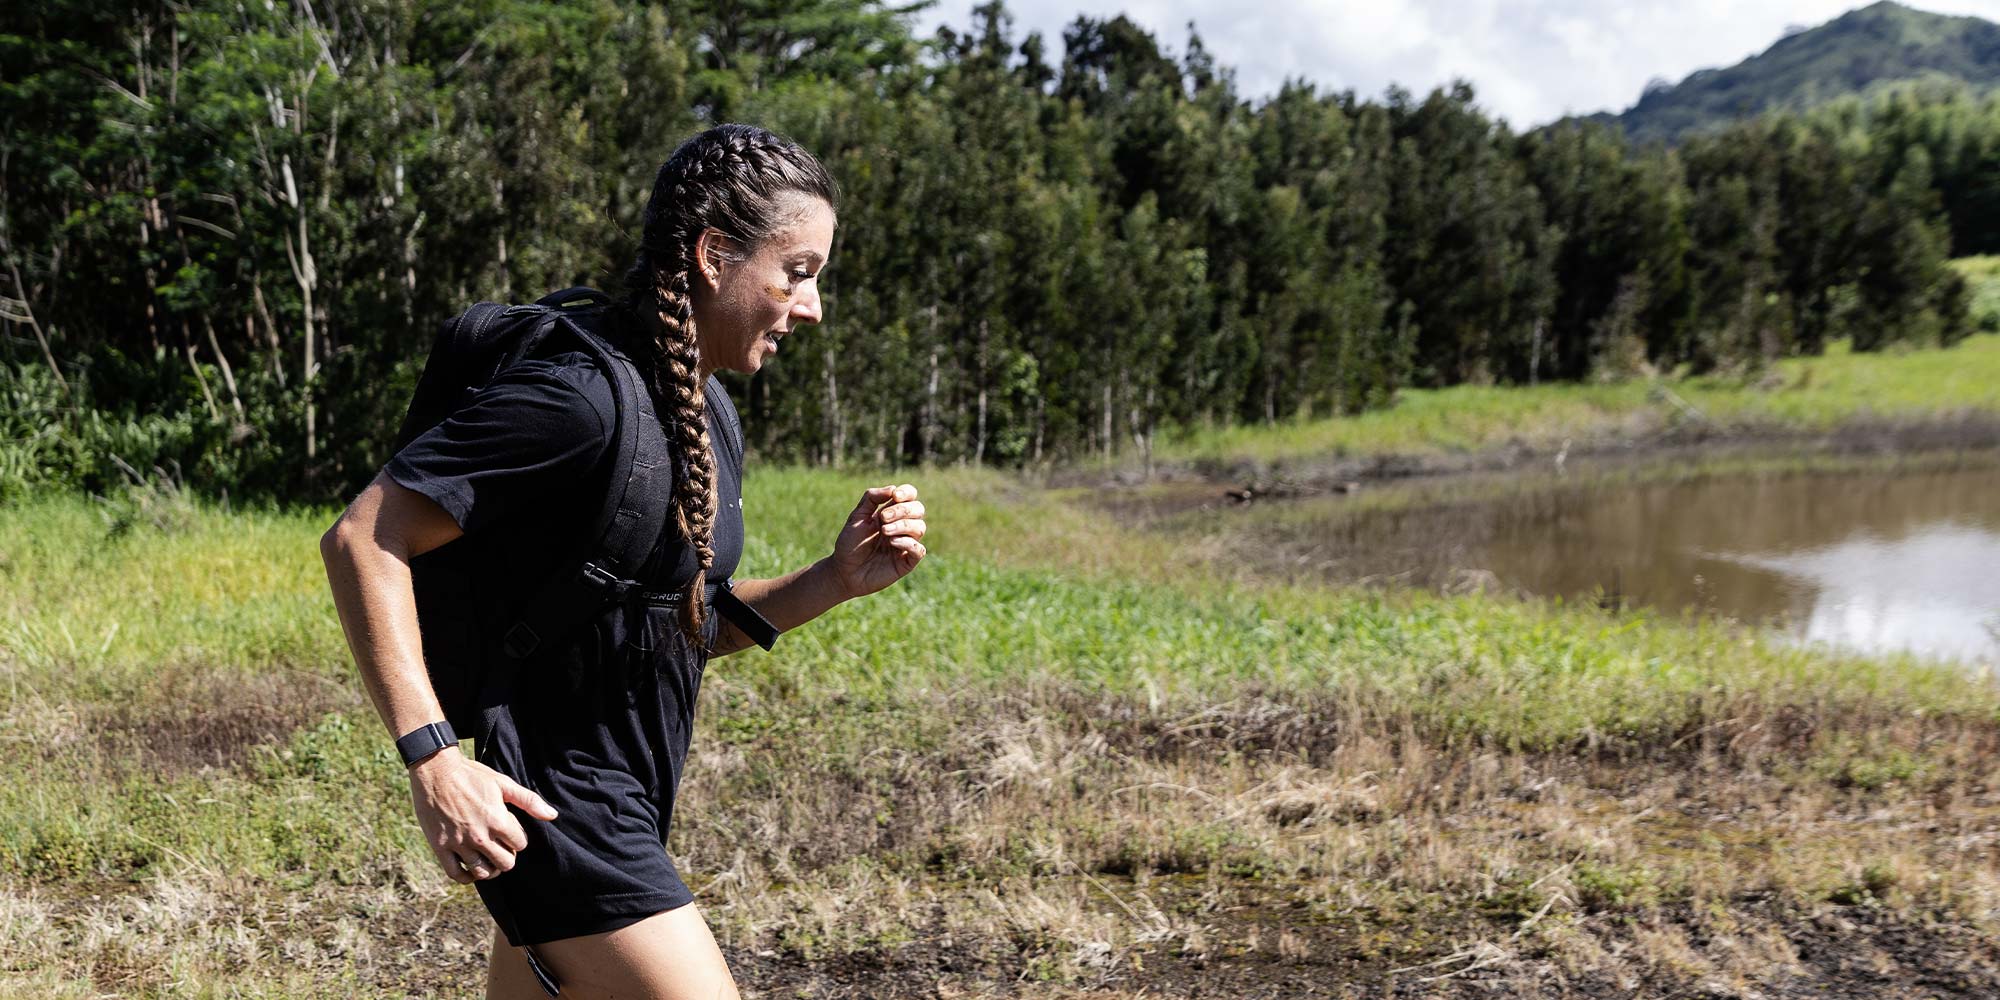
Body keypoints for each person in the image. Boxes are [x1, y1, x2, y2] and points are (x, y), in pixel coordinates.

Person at [320, 124, 928, 1000]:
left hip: (625, 800)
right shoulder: (578, 400)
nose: (812, 306)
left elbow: (684, 622)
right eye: (797, 272)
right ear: (714, 256)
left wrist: (834, 579)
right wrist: (434, 760)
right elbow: (364, 537)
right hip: (561, 811)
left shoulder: (705, 409)